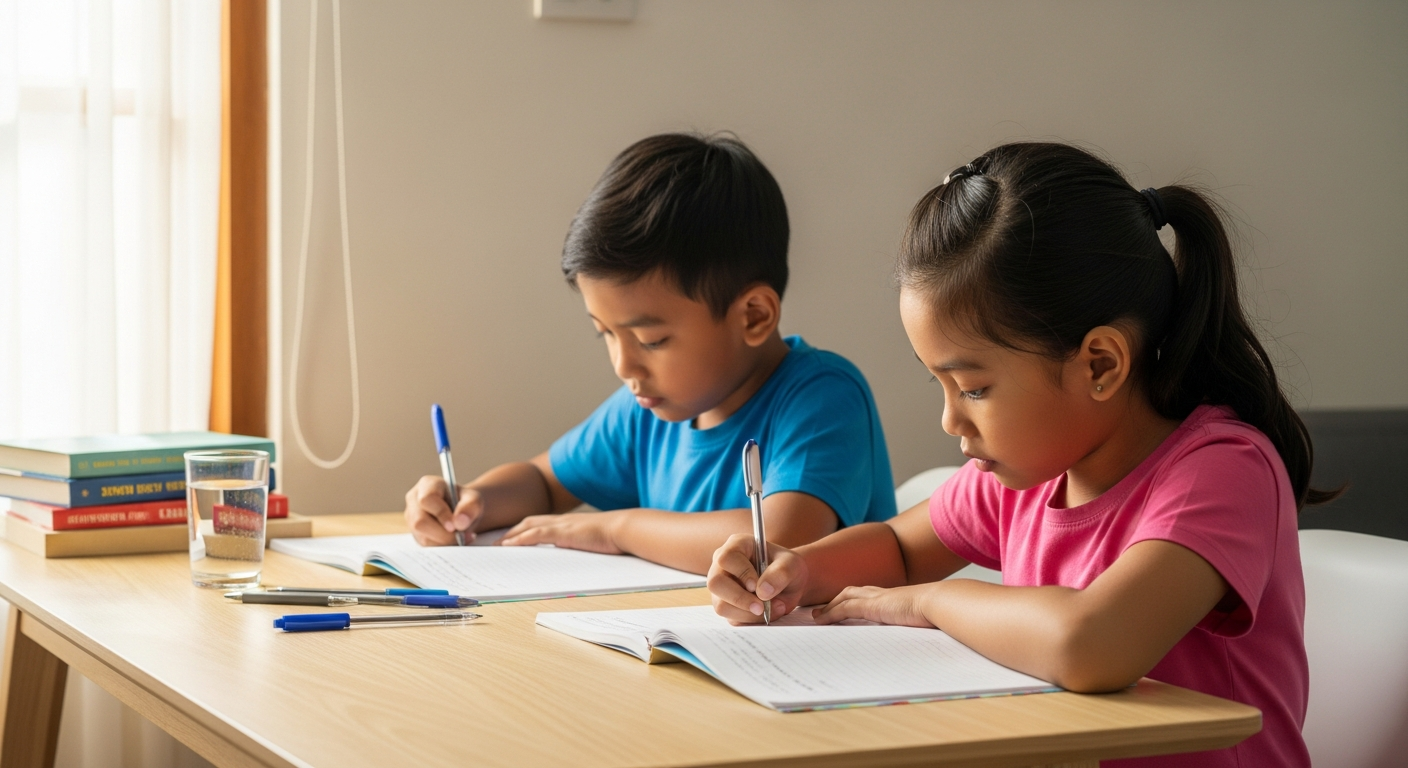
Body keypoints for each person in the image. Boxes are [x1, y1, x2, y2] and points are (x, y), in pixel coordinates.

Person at [707, 142, 1331, 766]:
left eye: (974, 387)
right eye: (942, 385)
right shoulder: (1028, 473)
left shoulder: (1222, 470)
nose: (951, 418)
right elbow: (898, 550)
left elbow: (1093, 643)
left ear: (1101, 363)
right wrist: (792, 570)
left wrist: (924, 602)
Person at [404, 133, 896, 574]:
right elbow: (542, 480)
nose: (624, 366)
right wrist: (469, 503)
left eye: (651, 341)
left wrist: (618, 529)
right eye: (606, 335)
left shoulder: (822, 396)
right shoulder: (649, 411)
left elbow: (781, 537)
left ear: (752, 316)